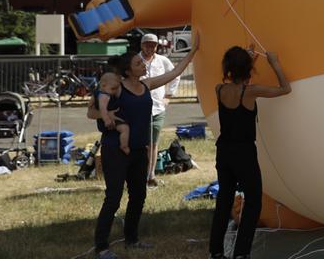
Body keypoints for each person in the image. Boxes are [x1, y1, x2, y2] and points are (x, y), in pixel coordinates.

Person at [89, 31, 199, 259]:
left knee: (138, 195)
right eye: (138, 63)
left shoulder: (146, 85)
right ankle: (101, 247)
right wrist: (107, 113)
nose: (143, 64)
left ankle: (132, 239)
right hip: (115, 150)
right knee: (114, 197)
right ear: (128, 71)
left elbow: (175, 72)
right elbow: (91, 111)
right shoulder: (116, 87)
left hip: (139, 149)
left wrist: (193, 51)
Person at [209, 45, 291, 259]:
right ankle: (241, 253)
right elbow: (285, 89)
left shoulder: (219, 89)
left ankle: (216, 251)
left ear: (227, 68)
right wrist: (274, 64)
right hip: (243, 152)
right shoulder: (250, 91)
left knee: (224, 199)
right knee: (253, 201)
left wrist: (248, 60)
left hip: (223, 150)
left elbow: (239, 79)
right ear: (248, 70)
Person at [139, 32, 179, 187]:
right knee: (142, 144)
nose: (150, 47)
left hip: (157, 108)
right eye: (147, 44)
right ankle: (140, 174)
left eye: (153, 45)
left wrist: (169, 95)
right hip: (139, 109)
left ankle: (151, 174)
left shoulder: (163, 61)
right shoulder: (136, 60)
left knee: (153, 143)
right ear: (142, 45)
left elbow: (176, 75)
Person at [95, 71, 130, 155]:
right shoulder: (104, 95)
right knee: (125, 129)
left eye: (116, 88)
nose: (114, 91)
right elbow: (103, 109)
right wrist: (107, 120)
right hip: (110, 120)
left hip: (113, 118)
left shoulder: (106, 94)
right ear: (103, 86)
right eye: (113, 89)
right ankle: (124, 145)